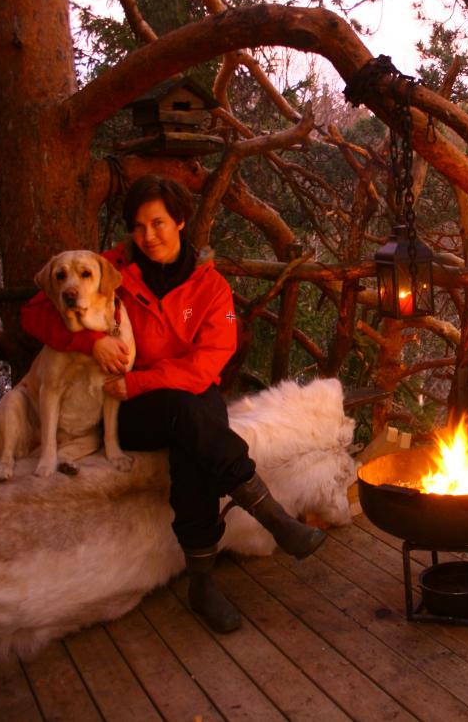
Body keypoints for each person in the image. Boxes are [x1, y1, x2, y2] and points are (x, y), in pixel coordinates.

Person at [20, 175, 324, 633]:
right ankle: (271, 516)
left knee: (193, 422)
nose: (149, 236)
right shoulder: (107, 269)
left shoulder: (210, 287)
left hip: (164, 396)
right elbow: (32, 313)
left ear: (180, 221)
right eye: (139, 226)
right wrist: (90, 345)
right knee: (194, 413)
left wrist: (141, 381)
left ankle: (202, 581)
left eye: (158, 223)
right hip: (122, 411)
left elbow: (208, 363)